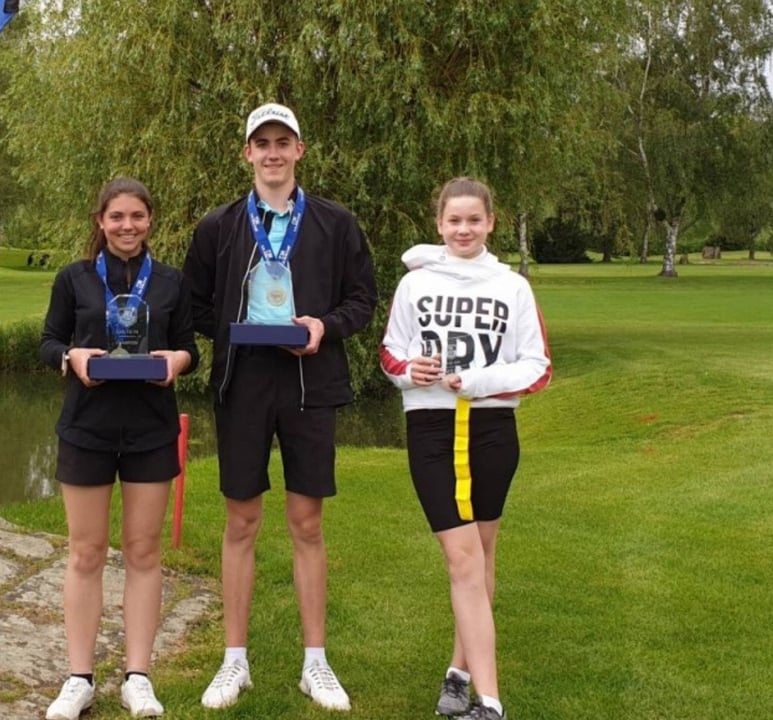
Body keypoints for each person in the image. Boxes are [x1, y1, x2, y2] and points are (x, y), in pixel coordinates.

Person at [182, 103, 378, 712]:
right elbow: (194, 304)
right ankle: (233, 660)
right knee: (241, 521)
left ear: (299, 150)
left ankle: (315, 662)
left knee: (307, 523)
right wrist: (239, 328)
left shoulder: (335, 223)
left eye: (282, 142)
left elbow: (363, 299)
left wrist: (322, 325)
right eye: (261, 143)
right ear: (247, 153)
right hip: (242, 383)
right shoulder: (218, 226)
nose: (272, 152)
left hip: (310, 383)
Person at [379, 177, 552, 720]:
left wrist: (478, 382)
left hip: (493, 428)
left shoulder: (511, 287)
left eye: (474, 220)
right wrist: (412, 370)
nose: (463, 229)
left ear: (491, 223)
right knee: (462, 557)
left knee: (480, 554)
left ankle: (459, 674)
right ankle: (491, 704)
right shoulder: (415, 284)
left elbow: (538, 366)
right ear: (439, 224)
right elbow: (390, 353)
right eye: (454, 220)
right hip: (431, 428)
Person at [39, 177, 199, 720]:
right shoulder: (74, 278)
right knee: (85, 552)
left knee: (144, 551)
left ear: (149, 220)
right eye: (117, 217)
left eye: (137, 216)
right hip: (87, 427)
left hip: (151, 429)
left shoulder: (171, 281)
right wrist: (72, 358)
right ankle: (79, 678)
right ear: (100, 221)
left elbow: (190, 347)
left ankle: (138, 677)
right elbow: (48, 342)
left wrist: (177, 361)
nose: (127, 226)